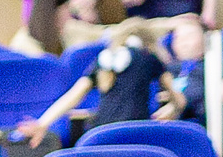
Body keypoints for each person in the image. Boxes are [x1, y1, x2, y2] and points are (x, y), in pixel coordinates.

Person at [16, 19, 185, 145]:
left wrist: (42, 123)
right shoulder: (150, 58)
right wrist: (173, 109)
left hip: (101, 135)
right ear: (148, 42)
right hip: (135, 134)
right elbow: (179, 100)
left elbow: (73, 95)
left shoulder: (103, 60)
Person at [11, 0, 79, 56]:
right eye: (66, 8)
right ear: (53, 13)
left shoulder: (69, 32)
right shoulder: (23, 44)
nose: (70, 14)